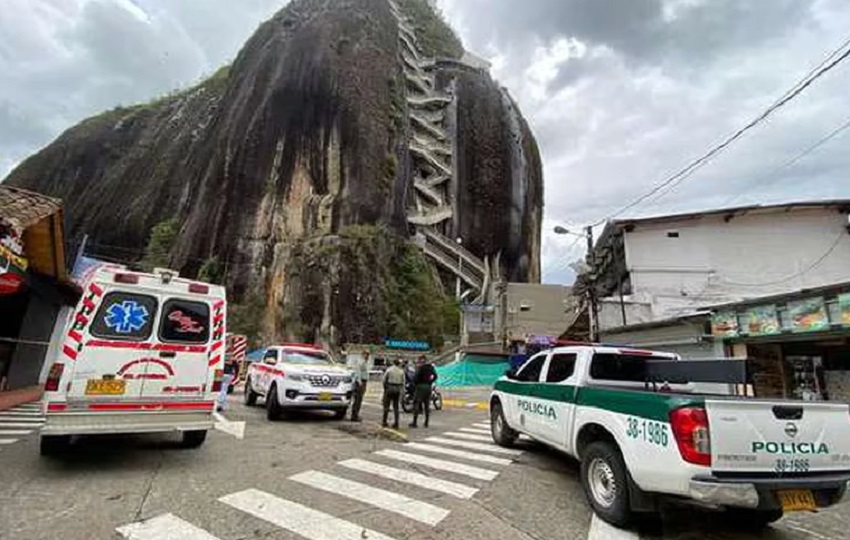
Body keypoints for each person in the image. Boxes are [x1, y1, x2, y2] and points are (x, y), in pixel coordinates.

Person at [409, 355, 437, 428]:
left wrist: (415, 383)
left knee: (416, 403)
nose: (418, 361)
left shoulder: (420, 367)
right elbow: (435, 376)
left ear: (421, 360)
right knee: (427, 405)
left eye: (419, 360)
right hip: (428, 387)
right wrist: (430, 381)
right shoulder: (430, 367)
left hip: (420, 386)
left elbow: (415, 377)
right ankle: (426, 422)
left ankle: (415, 422)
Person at [381, 359, 405, 429]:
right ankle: (396, 423)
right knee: (396, 407)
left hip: (389, 387)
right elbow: (403, 382)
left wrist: (385, 388)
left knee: (386, 406)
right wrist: (402, 391)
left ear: (393, 363)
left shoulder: (389, 370)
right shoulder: (401, 371)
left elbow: (384, 380)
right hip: (397, 388)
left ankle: (384, 422)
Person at [349, 350, 370, 422]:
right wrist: (360, 382)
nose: (368, 356)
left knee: (359, 400)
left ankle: (356, 415)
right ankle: (354, 416)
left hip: (363, 382)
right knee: (357, 400)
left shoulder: (364, 362)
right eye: (366, 354)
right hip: (360, 383)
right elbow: (358, 372)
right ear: (363, 354)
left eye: (368, 355)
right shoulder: (360, 362)